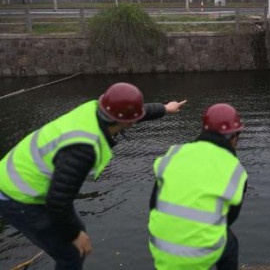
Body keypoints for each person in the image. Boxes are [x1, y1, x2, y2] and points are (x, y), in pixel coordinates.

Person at [0, 82, 187, 270]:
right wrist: (74, 235)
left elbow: (131, 112)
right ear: (128, 122)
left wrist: (165, 108)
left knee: (77, 231)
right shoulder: (84, 148)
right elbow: (58, 203)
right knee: (72, 253)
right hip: (16, 195)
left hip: (19, 173)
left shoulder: (93, 110)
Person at [148, 103, 248, 270]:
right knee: (231, 243)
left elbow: (153, 205)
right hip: (199, 255)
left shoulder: (175, 153)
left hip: (159, 247)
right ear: (234, 137)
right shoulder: (235, 171)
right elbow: (228, 220)